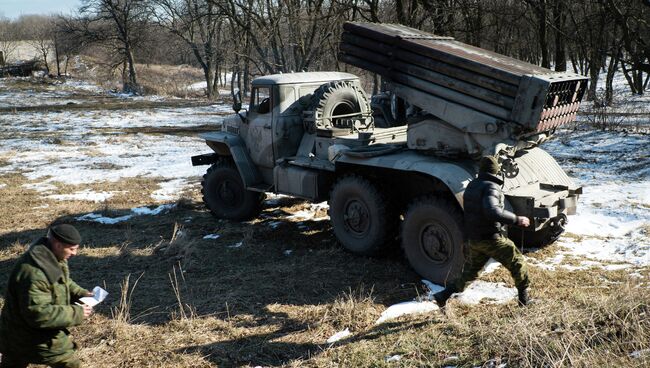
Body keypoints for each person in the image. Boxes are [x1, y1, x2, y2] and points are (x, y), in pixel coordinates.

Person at [434, 156, 531, 308]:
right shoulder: (491, 187)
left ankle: (442, 296)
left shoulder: (472, 185)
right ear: (496, 171)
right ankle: (524, 302)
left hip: (474, 239)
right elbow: (493, 211)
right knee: (517, 263)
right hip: (491, 239)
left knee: (469, 273)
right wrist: (517, 219)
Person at [0, 224, 93, 368]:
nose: (75, 253)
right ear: (58, 245)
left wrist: (81, 293)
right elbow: (39, 314)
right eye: (72, 249)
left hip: (19, 334)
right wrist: (77, 312)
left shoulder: (49, 257)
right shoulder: (34, 274)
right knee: (69, 364)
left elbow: (62, 281)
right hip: (28, 337)